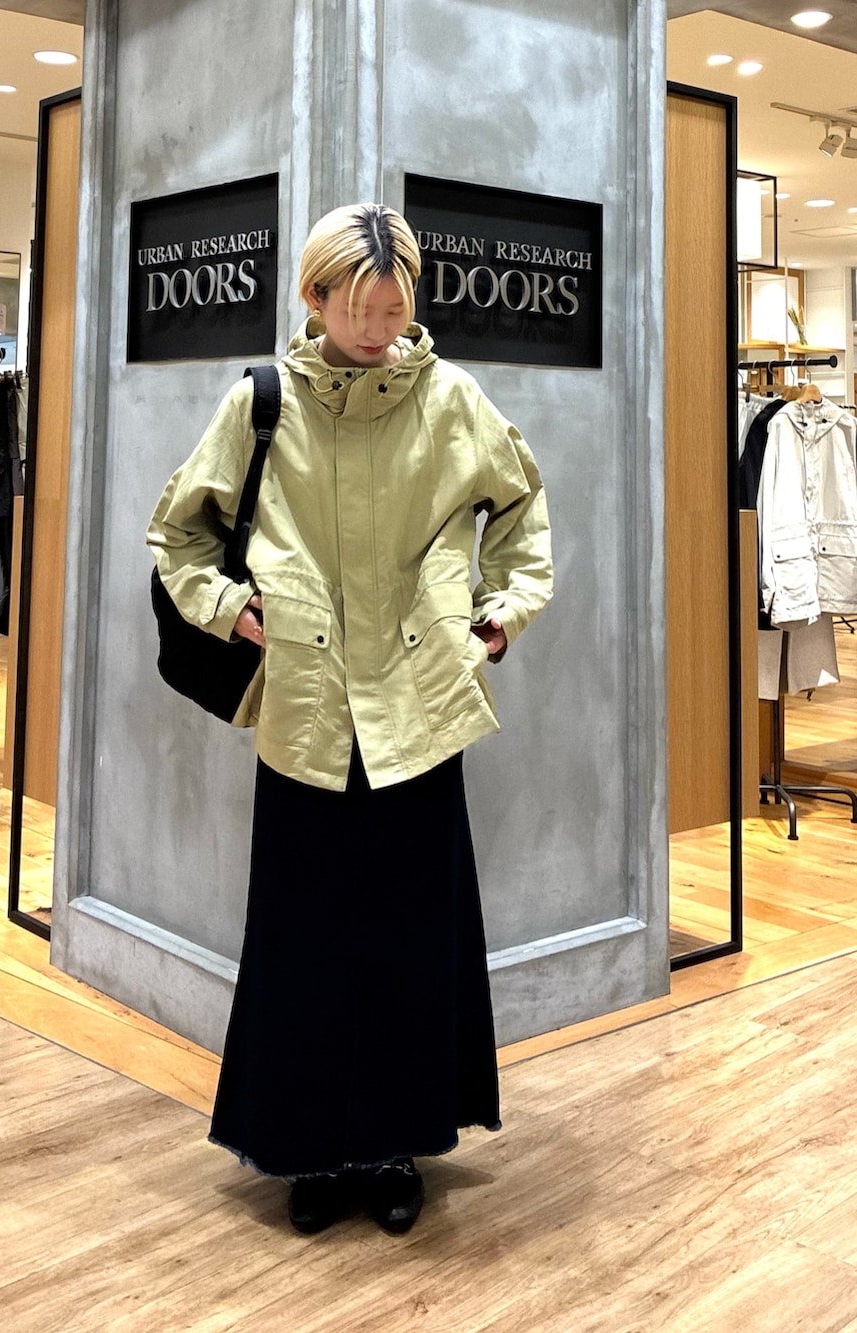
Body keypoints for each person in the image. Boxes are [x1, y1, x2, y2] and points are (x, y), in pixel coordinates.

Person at [147, 203, 552, 1236]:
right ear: (314, 296)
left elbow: (521, 513)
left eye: (395, 307)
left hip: (420, 710)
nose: (378, 328)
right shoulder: (262, 403)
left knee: (413, 941)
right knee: (304, 943)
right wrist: (230, 608)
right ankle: (305, 1151)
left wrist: (496, 618)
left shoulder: (450, 398)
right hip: (307, 708)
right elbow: (179, 535)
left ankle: (393, 1145)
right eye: (358, 307)